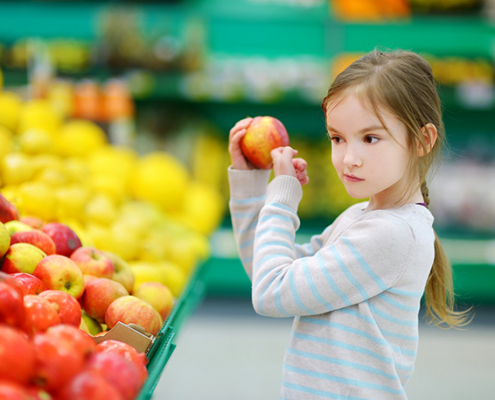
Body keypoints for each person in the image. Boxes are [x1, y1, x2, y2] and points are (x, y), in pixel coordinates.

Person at [227, 48, 471, 399]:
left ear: (422, 140)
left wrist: (282, 197)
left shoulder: (391, 234)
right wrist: (253, 186)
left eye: (370, 138)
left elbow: (271, 293)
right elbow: (266, 269)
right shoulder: (363, 217)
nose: (348, 159)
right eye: (337, 138)